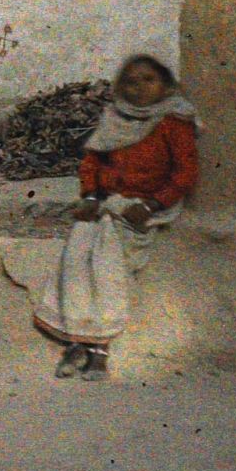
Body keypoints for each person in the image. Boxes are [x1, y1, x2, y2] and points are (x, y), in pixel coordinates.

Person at [34, 54, 201, 381]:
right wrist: (92, 195)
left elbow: (185, 173)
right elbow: (93, 163)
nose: (138, 88)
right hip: (106, 202)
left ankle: (100, 350)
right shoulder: (114, 117)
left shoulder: (173, 121)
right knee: (77, 253)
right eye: (130, 82)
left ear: (165, 85)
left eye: (148, 80)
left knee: (107, 260)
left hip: (144, 205)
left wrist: (152, 204)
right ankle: (76, 340)